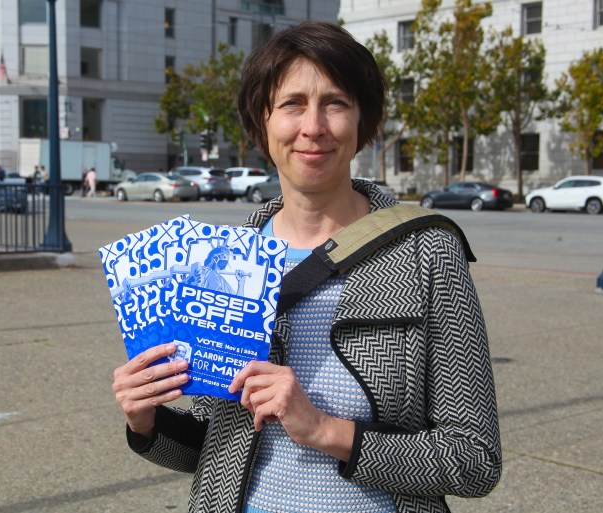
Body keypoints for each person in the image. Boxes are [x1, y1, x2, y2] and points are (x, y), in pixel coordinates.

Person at [111, 21, 501, 513]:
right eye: (292, 103)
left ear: (364, 121)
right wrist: (146, 421)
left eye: (335, 103)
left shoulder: (426, 252)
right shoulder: (228, 257)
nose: (313, 127)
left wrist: (323, 429)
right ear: (263, 121)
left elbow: (474, 459)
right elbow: (214, 450)